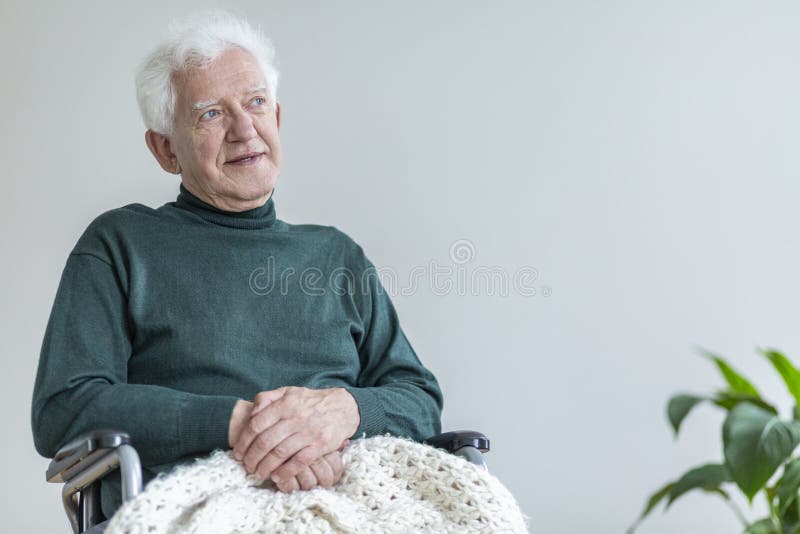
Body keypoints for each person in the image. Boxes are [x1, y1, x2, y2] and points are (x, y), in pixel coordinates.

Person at [31, 11, 443, 521]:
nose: (244, 129)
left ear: (277, 118)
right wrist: (239, 423)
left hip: (355, 492)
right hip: (195, 501)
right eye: (210, 114)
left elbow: (419, 398)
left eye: (255, 103)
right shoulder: (121, 245)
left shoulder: (337, 256)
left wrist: (343, 411)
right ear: (165, 149)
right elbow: (64, 407)